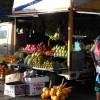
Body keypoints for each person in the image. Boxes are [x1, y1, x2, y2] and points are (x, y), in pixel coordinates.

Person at [91, 35, 100, 100]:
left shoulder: (95, 45)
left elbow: (91, 51)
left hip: (98, 67)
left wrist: (94, 62)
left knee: (98, 88)